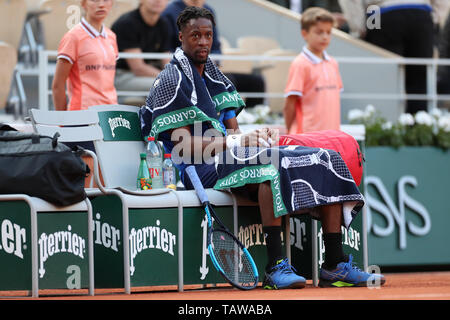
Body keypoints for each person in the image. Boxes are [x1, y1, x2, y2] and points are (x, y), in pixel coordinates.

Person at [139, 6, 386, 289]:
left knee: (325, 157)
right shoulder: (171, 80)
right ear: (180, 36)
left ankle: (335, 264)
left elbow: (235, 135)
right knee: (269, 164)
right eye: (195, 35)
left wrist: (258, 137)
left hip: (228, 158)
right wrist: (237, 142)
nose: (203, 41)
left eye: (208, 35)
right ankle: (275, 267)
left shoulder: (215, 77)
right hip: (199, 167)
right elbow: (184, 148)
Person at [338, 0, 450, 114]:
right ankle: (419, 125)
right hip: (421, 11)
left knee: (384, 79)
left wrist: (358, 28)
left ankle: (387, 124)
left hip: (377, 12)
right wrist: (436, 19)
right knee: (419, 79)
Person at [161, 0, 266, 108]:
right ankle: (218, 120)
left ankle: (250, 119)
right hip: (184, 71)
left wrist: (211, 63)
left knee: (256, 82)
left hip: (207, 68)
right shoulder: (170, 12)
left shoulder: (208, 11)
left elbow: (216, 47)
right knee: (223, 85)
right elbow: (166, 50)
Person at [284, 7, 343, 134]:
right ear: (304, 34)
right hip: (307, 137)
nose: (325, 37)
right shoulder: (300, 64)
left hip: (331, 137)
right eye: (319, 32)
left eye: (328, 32)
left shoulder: (333, 63)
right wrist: (290, 131)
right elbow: (290, 104)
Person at [52, 0, 118, 111]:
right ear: (83, 4)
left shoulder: (111, 36)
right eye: (95, 0)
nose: (101, 4)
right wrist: (62, 122)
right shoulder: (73, 37)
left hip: (110, 112)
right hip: (83, 112)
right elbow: (57, 85)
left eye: (106, 0)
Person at [111, 0, 171, 105]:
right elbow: (138, 68)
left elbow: (166, 61)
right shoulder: (127, 23)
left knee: (177, 84)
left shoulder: (164, 24)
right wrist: (168, 78)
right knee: (167, 85)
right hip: (122, 76)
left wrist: (174, 76)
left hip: (149, 74)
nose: (158, 1)